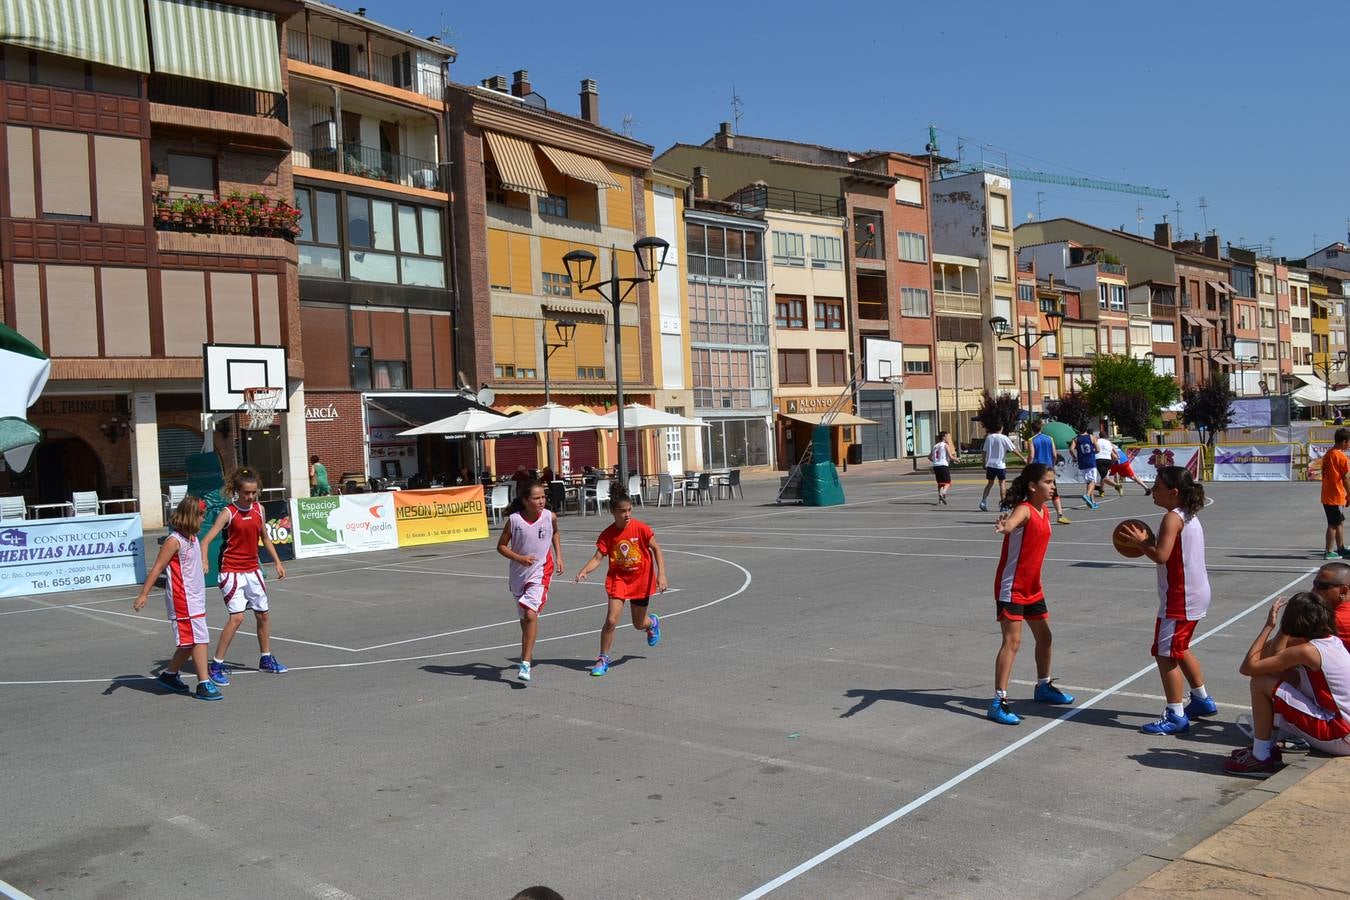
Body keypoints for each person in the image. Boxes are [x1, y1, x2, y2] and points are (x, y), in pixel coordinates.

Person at [1120, 466, 1216, 735]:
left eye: (1158, 486)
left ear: (1174, 492)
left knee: (1165, 654)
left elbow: (1161, 555)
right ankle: (1201, 699)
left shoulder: (1172, 518)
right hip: (1194, 592)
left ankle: (1175, 715)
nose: (1153, 489)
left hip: (1181, 597)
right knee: (1180, 647)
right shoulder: (1187, 514)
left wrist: (1141, 543)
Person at [1224, 592, 1350, 775]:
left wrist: (1270, 626)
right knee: (1278, 676)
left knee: (1260, 682)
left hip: (1340, 735)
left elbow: (1248, 667)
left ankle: (1260, 758)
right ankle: (1267, 749)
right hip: (1343, 729)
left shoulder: (1307, 651)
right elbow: (1274, 659)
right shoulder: (1331, 642)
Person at [988, 463, 1075, 725]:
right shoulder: (1024, 510)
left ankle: (1043, 686)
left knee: (1045, 638)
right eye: (1048, 482)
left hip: (1032, 587)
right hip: (1011, 587)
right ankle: (998, 701)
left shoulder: (1044, 510)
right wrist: (1005, 527)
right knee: (1012, 643)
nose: (1053, 486)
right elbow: (1013, 522)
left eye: (1053, 481)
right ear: (1032, 486)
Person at [201, 467, 288, 685]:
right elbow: (205, 540)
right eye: (246, 493)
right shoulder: (228, 513)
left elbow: (265, 538)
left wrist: (277, 562)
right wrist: (204, 560)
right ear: (237, 491)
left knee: (263, 615)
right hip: (231, 571)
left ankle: (265, 658)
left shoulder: (259, 509)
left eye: (253, 492)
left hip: (253, 571)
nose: (250, 497)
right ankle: (216, 664)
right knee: (237, 617)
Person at [131, 496, 222, 701]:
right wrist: (143, 594)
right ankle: (203, 683)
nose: (202, 519)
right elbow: (157, 568)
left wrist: (203, 562)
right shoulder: (174, 540)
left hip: (195, 598)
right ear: (191, 516)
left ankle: (170, 675)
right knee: (199, 639)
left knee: (189, 642)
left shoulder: (192, 537)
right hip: (183, 599)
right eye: (201, 516)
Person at [574, 488, 667, 676]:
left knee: (638, 624)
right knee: (610, 620)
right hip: (619, 580)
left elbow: (656, 549)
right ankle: (602, 658)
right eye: (623, 511)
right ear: (613, 512)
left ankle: (652, 624)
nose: (627, 514)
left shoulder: (640, 528)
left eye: (629, 510)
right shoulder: (607, 535)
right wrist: (584, 570)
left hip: (641, 579)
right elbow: (598, 558)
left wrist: (661, 574)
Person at [497, 479, 564, 684]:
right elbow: (501, 546)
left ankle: (525, 662)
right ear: (525, 500)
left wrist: (559, 556)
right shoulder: (515, 521)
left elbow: (555, 533)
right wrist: (520, 558)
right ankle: (529, 650)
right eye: (536, 498)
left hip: (541, 571)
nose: (542, 501)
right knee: (524, 618)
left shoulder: (549, 516)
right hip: (519, 573)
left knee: (529, 613)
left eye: (543, 497)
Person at [1028, 418, 1070, 524]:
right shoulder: (1049, 438)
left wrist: (1028, 465)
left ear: (1032, 429)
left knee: (1036, 493)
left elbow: (1031, 455)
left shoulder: (1032, 440)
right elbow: (1054, 455)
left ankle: (1036, 516)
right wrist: (1052, 464)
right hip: (1048, 468)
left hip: (1037, 469)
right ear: (1041, 428)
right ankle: (1060, 515)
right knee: (1054, 493)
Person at [979, 424, 1025, 512]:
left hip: (990, 464)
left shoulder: (989, 437)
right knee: (1002, 484)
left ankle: (983, 501)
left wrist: (983, 462)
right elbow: (1013, 449)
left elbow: (984, 451)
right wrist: (1022, 458)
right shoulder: (1004, 438)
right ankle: (1004, 505)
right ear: (1001, 428)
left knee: (989, 484)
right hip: (1000, 465)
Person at [1320, 427, 1350, 560]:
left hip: (1328, 493)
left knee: (1339, 522)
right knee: (1333, 524)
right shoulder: (1341, 456)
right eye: (1349, 442)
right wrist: (1349, 494)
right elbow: (1345, 478)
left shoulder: (1329, 454)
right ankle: (1329, 551)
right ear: (1344, 442)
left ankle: (1341, 547)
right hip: (1335, 495)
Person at [1072, 425, 1100, 509]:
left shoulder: (1076, 439)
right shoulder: (1091, 437)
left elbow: (1071, 449)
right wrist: (1092, 452)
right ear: (1086, 429)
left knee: (1088, 482)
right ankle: (1087, 495)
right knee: (1093, 481)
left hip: (1082, 462)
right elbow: (1098, 449)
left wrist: (1074, 457)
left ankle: (1092, 502)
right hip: (1090, 461)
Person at [929, 430, 956, 506]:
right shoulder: (945, 445)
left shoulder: (935, 446)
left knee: (940, 483)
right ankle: (943, 493)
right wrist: (957, 459)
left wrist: (935, 461)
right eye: (947, 436)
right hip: (943, 465)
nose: (948, 438)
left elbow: (929, 457)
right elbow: (951, 457)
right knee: (947, 482)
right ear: (944, 437)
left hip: (936, 466)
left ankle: (940, 500)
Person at [1094, 431, 1122, 498]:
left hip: (1099, 459)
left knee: (1104, 478)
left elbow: (1094, 448)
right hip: (1108, 460)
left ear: (1099, 436)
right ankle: (1101, 491)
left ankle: (1116, 485)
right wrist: (1118, 456)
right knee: (1103, 476)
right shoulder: (1108, 442)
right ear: (1105, 436)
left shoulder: (1096, 440)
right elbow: (1114, 449)